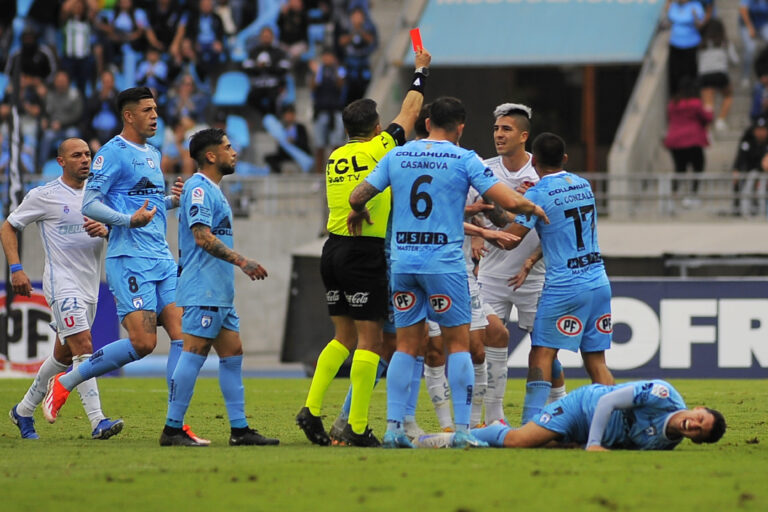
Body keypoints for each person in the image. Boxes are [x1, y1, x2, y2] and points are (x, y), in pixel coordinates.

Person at [347, 96, 549, 448]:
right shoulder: (464, 158)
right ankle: (461, 431)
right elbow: (509, 201)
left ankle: (393, 429)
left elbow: (357, 195)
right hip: (444, 265)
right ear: (461, 127)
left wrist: (359, 210)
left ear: (427, 124)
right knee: (459, 346)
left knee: (406, 347)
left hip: (404, 263)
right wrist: (534, 206)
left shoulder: (397, 154)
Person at [41, 87, 207, 444]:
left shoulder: (152, 152)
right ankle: (67, 380)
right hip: (129, 259)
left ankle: (175, 425)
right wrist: (128, 221)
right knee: (144, 343)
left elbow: (143, 204)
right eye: (147, 110)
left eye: (156, 109)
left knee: (183, 336)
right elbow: (90, 204)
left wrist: (169, 202)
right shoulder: (111, 154)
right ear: (129, 116)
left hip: (162, 258)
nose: (155, 115)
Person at [295, 48, 432, 448]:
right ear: (376, 128)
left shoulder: (335, 157)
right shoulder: (380, 149)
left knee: (342, 338)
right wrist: (420, 71)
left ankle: (312, 408)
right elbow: (409, 111)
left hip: (332, 249)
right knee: (371, 342)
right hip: (363, 253)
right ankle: (356, 427)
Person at [161, 128, 279, 447]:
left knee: (232, 353)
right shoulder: (199, 189)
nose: (234, 152)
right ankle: (172, 429)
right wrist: (242, 261)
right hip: (204, 288)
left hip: (219, 291)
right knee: (194, 353)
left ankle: (239, 431)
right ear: (211, 155)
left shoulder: (212, 189)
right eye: (227, 148)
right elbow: (202, 237)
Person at [2, 138, 123, 440]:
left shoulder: (101, 195)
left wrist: (107, 230)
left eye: (88, 154)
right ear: (61, 161)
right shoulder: (45, 195)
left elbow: (121, 231)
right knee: (84, 346)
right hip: (62, 285)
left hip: (91, 286)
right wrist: (16, 268)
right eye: (77, 155)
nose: (85, 159)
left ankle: (23, 410)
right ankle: (98, 421)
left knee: (63, 358)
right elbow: (8, 226)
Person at [503, 132, 615, 425]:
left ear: (534, 160)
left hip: (565, 286)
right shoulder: (583, 185)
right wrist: (531, 259)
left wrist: (484, 219)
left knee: (541, 353)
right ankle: (618, 423)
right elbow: (564, 230)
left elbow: (509, 239)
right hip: (598, 282)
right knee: (596, 362)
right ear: (565, 158)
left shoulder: (537, 193)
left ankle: (531, 424)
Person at [474, 102, 566, 426]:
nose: (499, 135)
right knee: (485, 343)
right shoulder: (483, 170)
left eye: (506, 129)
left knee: (544, 350)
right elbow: (470, 210)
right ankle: (494, 417)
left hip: (536, 277)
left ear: (524, 135)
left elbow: (553, 220)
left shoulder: (540, 175)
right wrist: (474, 240)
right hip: (493, 273)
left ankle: (561, 413)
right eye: (496, 129)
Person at [416, 380, 727, 451]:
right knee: (519, 442)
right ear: (698, 409)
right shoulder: (662, 394)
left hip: (589, 434)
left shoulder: (665, 445)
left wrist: (583, 445)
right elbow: (607, 401)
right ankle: (453, 437)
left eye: (700, 431)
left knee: (545, 446)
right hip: (584, 407)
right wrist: (593, 443)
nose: (695, 425)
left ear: (695, 440)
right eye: (701, 419)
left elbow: (624, 446)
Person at [662, 76, 713, 204]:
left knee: (680, 168)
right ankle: (693, 195)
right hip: (693, 140)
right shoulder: (695, 103)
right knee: (698, 167)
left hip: (675, 141)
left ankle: (672, 195)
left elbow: (669, 118)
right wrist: (709, 108)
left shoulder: (673, 103)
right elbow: (707, 117)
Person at [698, 18, 739, 133]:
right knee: (728, 95)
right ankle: (721, 120)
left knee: (708, 104)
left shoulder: (702, 43)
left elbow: (697, 61)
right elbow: (735, 60)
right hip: (720, 74)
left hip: (705, 75)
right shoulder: (724, 42)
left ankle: (707, 129)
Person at [665, 0, 706, 96]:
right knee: (675, 73)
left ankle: (692, 96)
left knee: (690, 73)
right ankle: (676, 97)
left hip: (691, 45)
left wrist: (695, 16)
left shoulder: (695, 6)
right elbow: (669, 19)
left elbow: (700, 25)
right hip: (675, 44)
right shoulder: (674, 6)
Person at [264, 104, 310, 174]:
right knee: (269, 158)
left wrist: (293, 142)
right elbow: (280, 148)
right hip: (286, 154)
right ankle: (282, 172)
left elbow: (304, 143)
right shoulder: (281, 128)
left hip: (299, 152)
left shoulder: (300, 128)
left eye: (290, 114)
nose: (289, 116)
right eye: (287, 114)